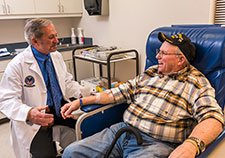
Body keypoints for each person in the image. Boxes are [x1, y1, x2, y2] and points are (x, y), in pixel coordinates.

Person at [60, 32, 224, 158]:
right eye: (158, 51)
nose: (157, 56)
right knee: (71, 152)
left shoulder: (195, 83)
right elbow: (118, 92)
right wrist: (80, 102)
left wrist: (191, 145)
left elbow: (213, 118)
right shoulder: (150, 73)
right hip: (122, 131)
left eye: (163, 53)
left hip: (156, 144)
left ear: (180, 60)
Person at [0, 18, 82, 158]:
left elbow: (67, 83)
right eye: (51, 37)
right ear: (35, 41)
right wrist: (29, 113)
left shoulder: (56, 56)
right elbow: (6, 100)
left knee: (80, 144)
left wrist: (86, 94)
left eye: (56, 35)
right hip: (36, 119)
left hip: (60, 110)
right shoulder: (17, 65)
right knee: (45, 154)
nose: (57, 40)